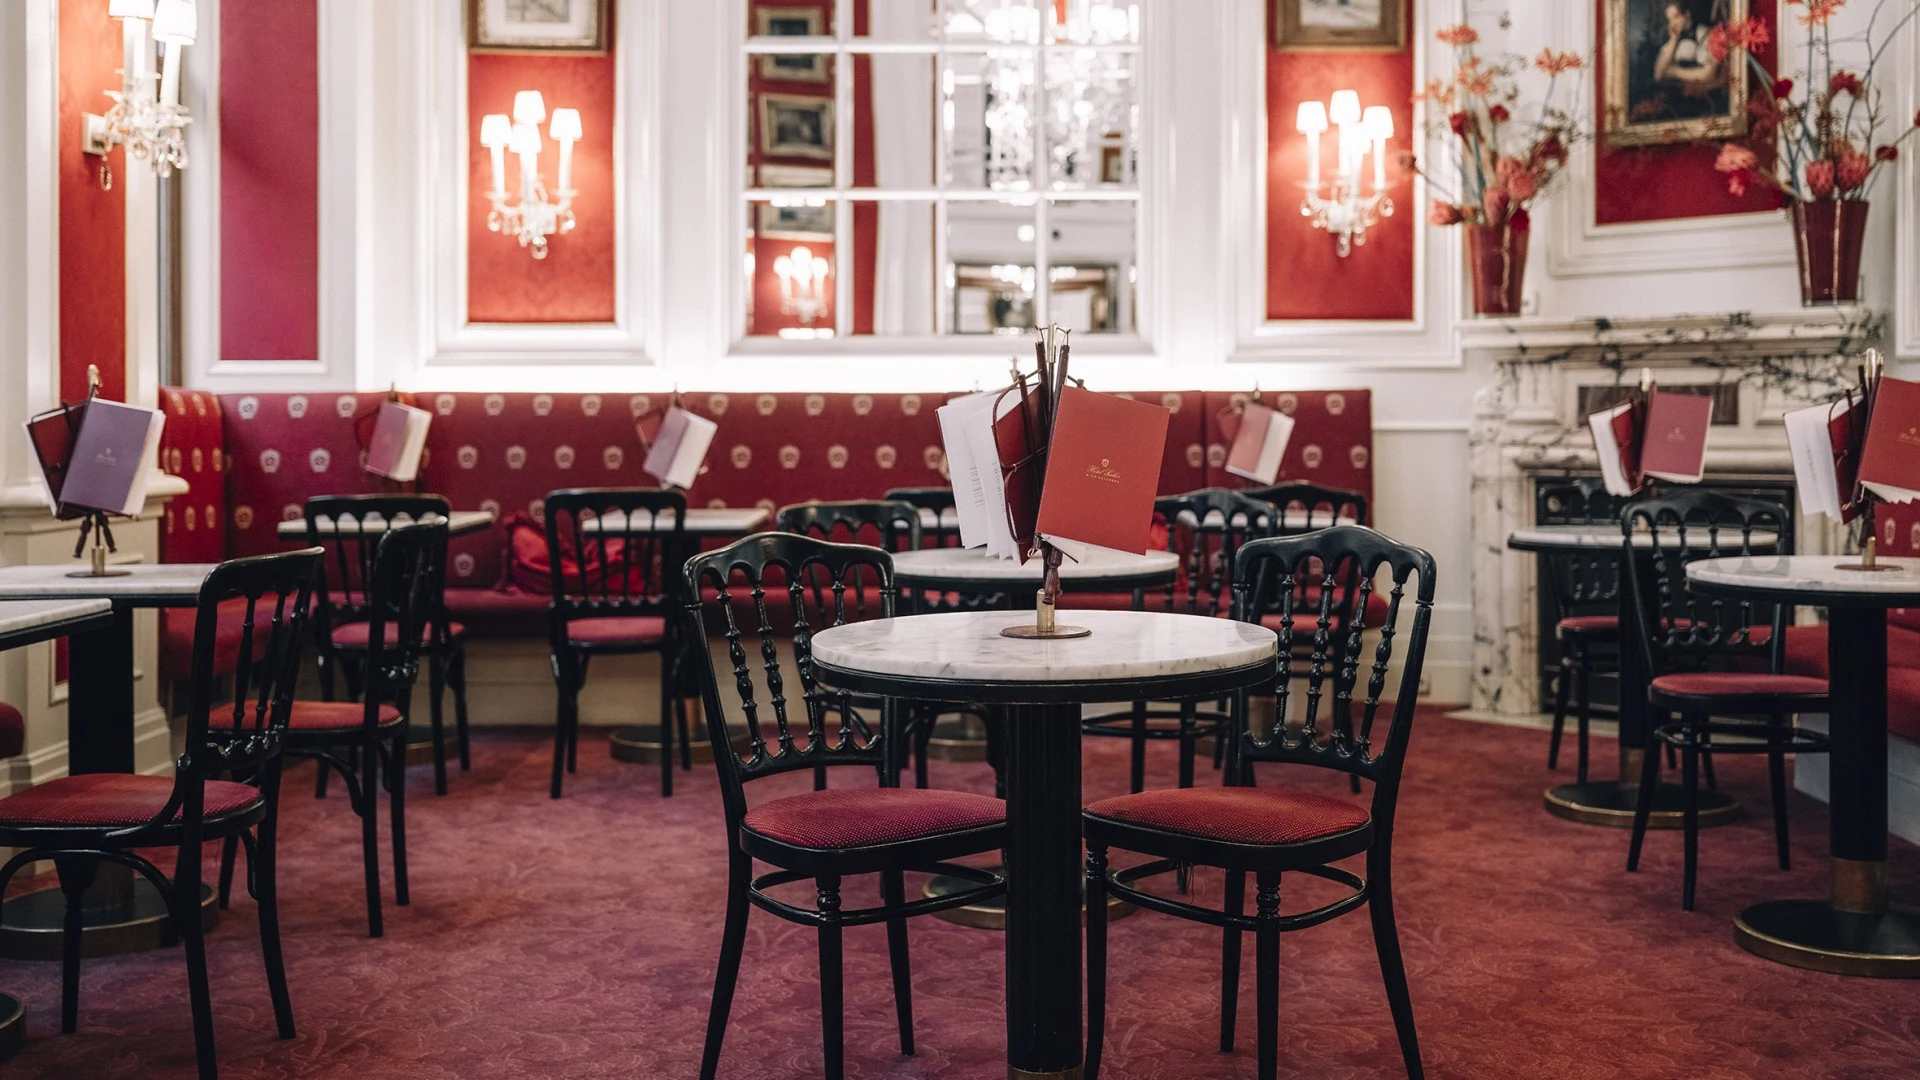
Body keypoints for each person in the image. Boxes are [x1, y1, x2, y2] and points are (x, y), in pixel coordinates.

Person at [1649, 1, 1727, 116]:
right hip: (1678, 103)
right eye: (1669, 20)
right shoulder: (1673, 40)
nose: (1672, 24)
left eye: (1676, 17)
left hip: (1708, 102)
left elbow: (1708, 74)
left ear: (1687, 14)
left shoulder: (1707, 33)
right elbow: (1658, 74)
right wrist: (1673, 40)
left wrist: (1673, 72)